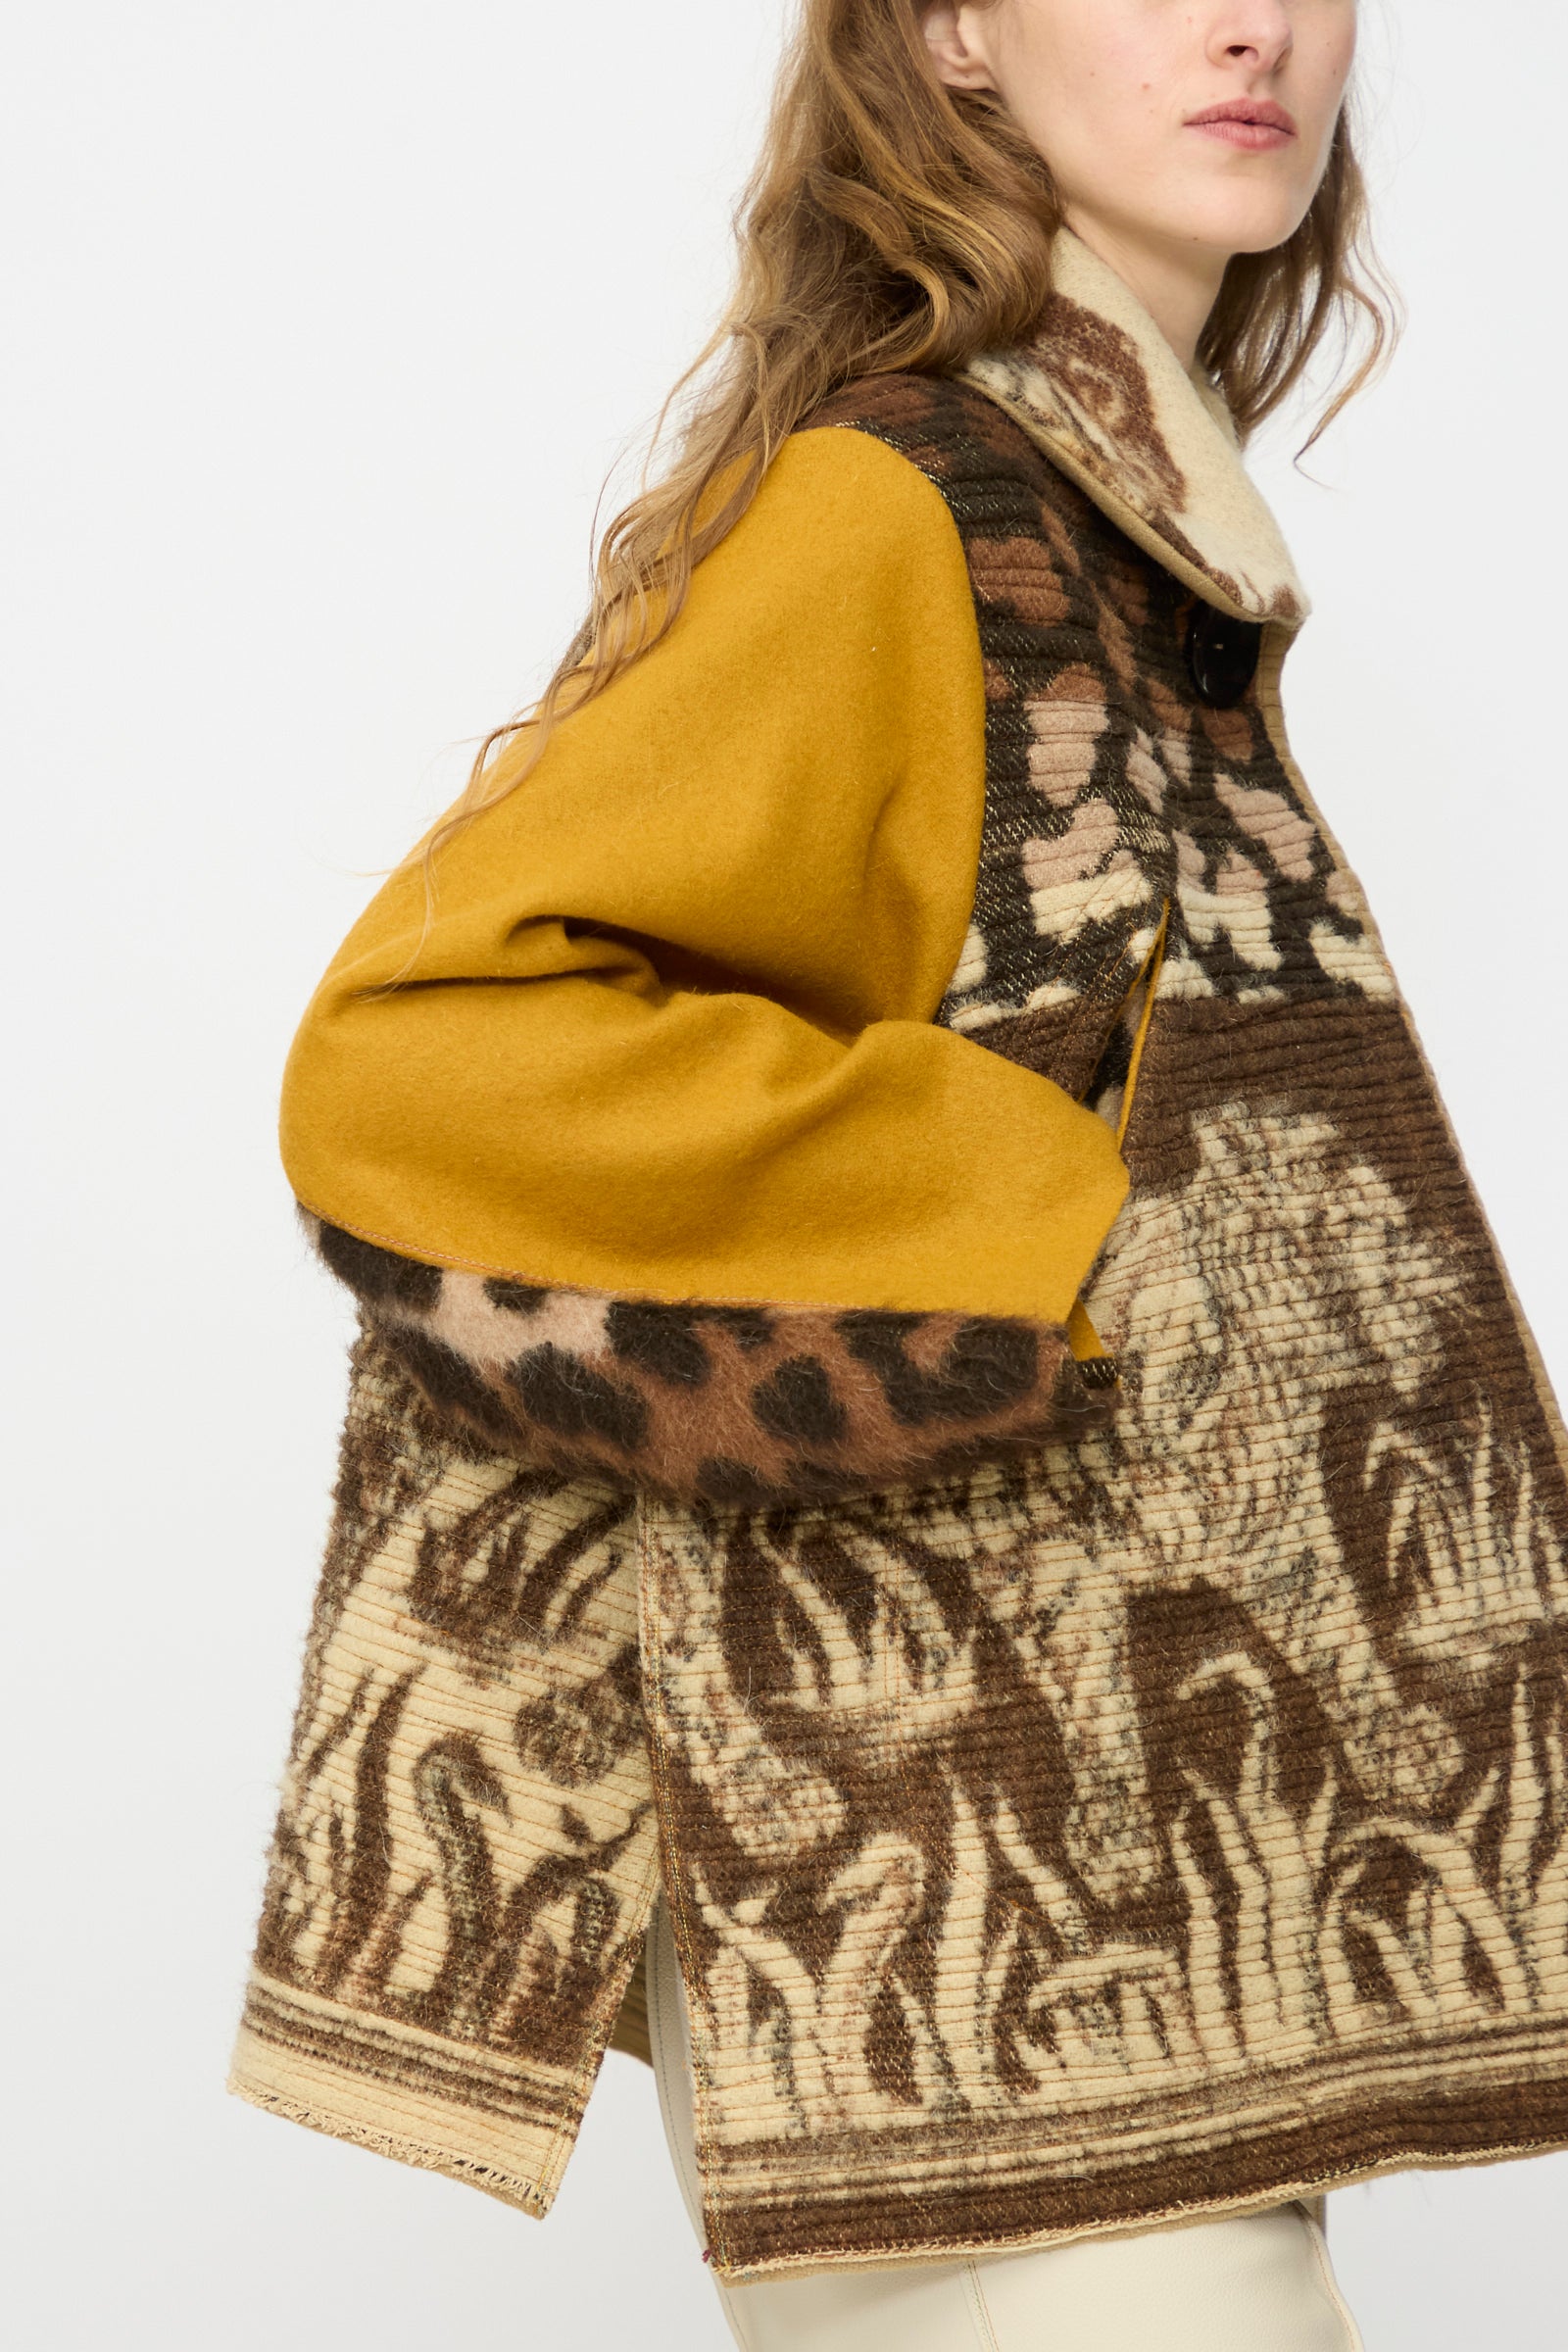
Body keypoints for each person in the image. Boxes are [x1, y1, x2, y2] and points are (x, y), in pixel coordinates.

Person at [228, 4, 1568, 2346]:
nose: (1248, 20)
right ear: (950, 30)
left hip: (1117, 1911)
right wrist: (1053, 1214)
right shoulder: (902, 501)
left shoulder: (1115, 536)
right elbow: (421, 1053)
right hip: (961, 1915)